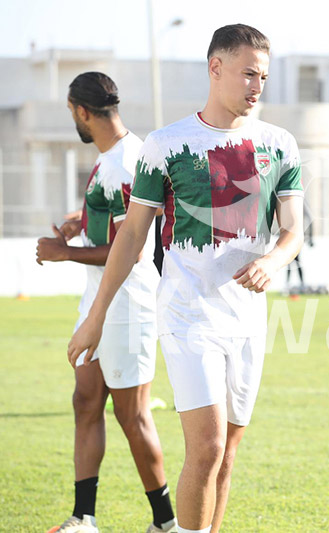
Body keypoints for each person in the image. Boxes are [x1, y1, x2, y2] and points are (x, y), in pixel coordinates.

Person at [67, 25, 304, 533]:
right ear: (215, 68)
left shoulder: (280, 145)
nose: (256, 86)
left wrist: (273, 261)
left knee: (228, 450)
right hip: (186, 315)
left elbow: (294, 233)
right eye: (247, 73)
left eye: (263, 76)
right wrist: (95, 317)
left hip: (247, 320)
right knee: (208, 445)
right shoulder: (166, 144)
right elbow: (131, 237)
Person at [36, 72, 177, 533]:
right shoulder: (110, 158)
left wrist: (63, 254)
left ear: (81, 110)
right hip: (98, 295)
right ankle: (84, 518)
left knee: (131, 414)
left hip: (127, 301)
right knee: (86, 400)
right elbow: (117, 219)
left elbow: (133, 248)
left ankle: (166, 523)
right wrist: (83, 219)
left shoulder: (127, 160)